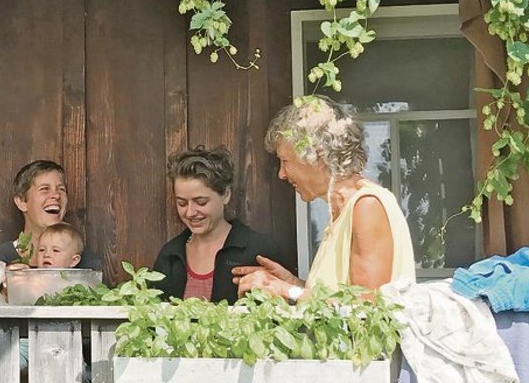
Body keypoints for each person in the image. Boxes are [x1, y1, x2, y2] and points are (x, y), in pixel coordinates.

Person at [235, 95, 415, 299]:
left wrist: (289, 291)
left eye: (285, 161)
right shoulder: (341, 214)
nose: (281, 174)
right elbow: (339, 300)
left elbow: (366, 306)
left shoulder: (367, 205)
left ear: (317, 156)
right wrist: (292, 282)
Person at [151, 146, 285, 303]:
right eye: (181, 203)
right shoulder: (170, 255)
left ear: (226, 194)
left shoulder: (260, 250)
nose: (190, 212)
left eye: (201, 202)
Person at [0, 159, 102, 271]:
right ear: (22, 202)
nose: (56, 195)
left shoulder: (86, 260)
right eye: (45, 189)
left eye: (61, 189)